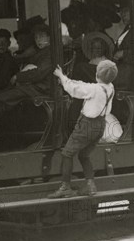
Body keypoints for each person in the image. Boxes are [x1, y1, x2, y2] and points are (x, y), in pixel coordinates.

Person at [48, 59, 118, 199]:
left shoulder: (94, 89)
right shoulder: (110, 87)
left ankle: (65, 187)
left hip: (87, 125)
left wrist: (61, 76)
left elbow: (73, 90)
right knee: (84, 155)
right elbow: (86, 86)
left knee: (67, 154)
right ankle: (90, 186)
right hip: (100, 125)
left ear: (97, 74)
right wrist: (73, 80)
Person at [0, 24, 52, 145]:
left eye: (42, 36)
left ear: (50, 37)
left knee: (0, 99)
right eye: (36, 37)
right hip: (32, 87)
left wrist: (18, 77)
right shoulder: (41, 52)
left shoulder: (50, 53)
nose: (38, 40)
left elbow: (40, 73)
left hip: (41, 88)